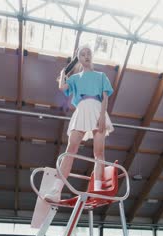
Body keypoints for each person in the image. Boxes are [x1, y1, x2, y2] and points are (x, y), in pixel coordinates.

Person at [44, 45, 114, 202]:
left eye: (88, 53)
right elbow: (62, 86)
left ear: (92, 56)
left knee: (99, 153)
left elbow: (105, 97)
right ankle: (56, 190)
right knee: (70, 150)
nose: (86, 56)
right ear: (79, 59)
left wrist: (102, 116)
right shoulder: (75, 78)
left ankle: (97, 190)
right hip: (81, 110)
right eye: (82, 54)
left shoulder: (101, 76)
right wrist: (63, 72)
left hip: (97, 109)